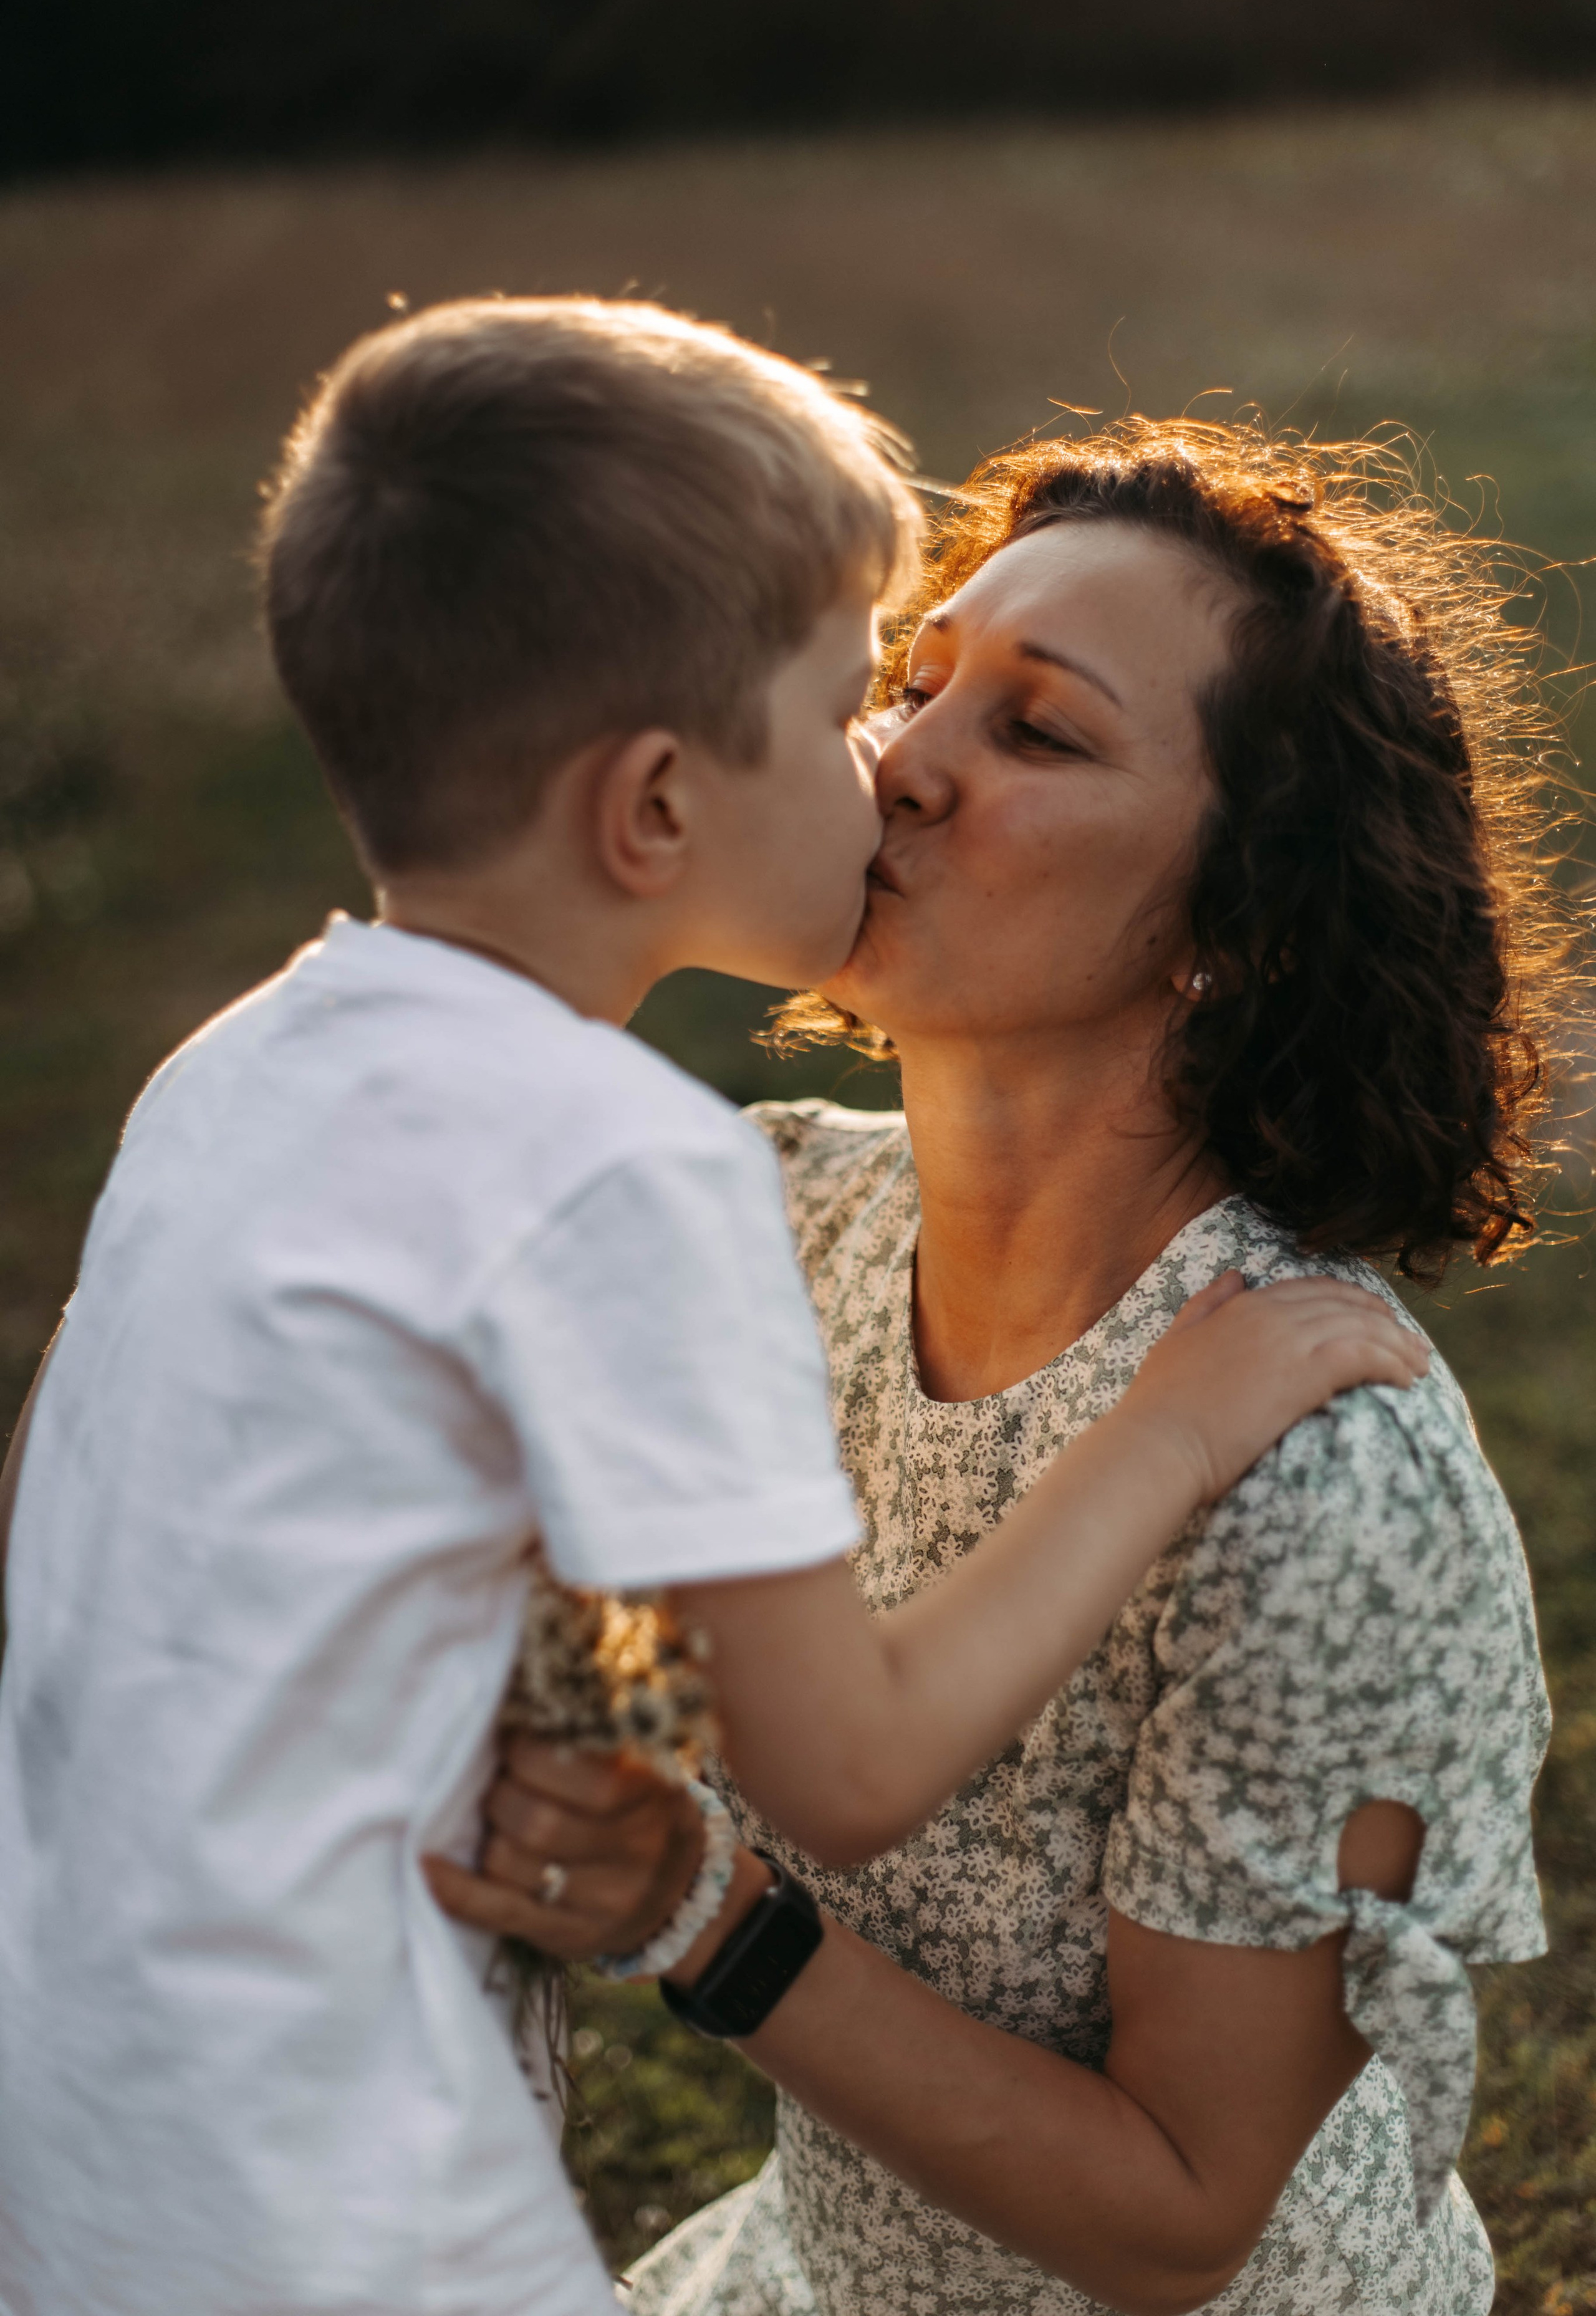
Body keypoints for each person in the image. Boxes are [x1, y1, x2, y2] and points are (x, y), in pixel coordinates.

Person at [0, 308, 1416, 2316]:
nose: (889, 766)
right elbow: (852, 1767)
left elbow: (57, 1519)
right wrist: (1171, 1434)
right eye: (856, 700)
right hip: (344, 2190)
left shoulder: (230, 1070)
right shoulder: (625, 1171)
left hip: (72, 2129)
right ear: (655, 810)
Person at [450, 417, 1560, 2316]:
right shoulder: (776, 1218)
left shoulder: (1326, 1490)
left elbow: (1179, 2219)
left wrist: (697, 1917)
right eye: (914, 679)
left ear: (1241, 925)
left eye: (1037, 732)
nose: (898, 758)